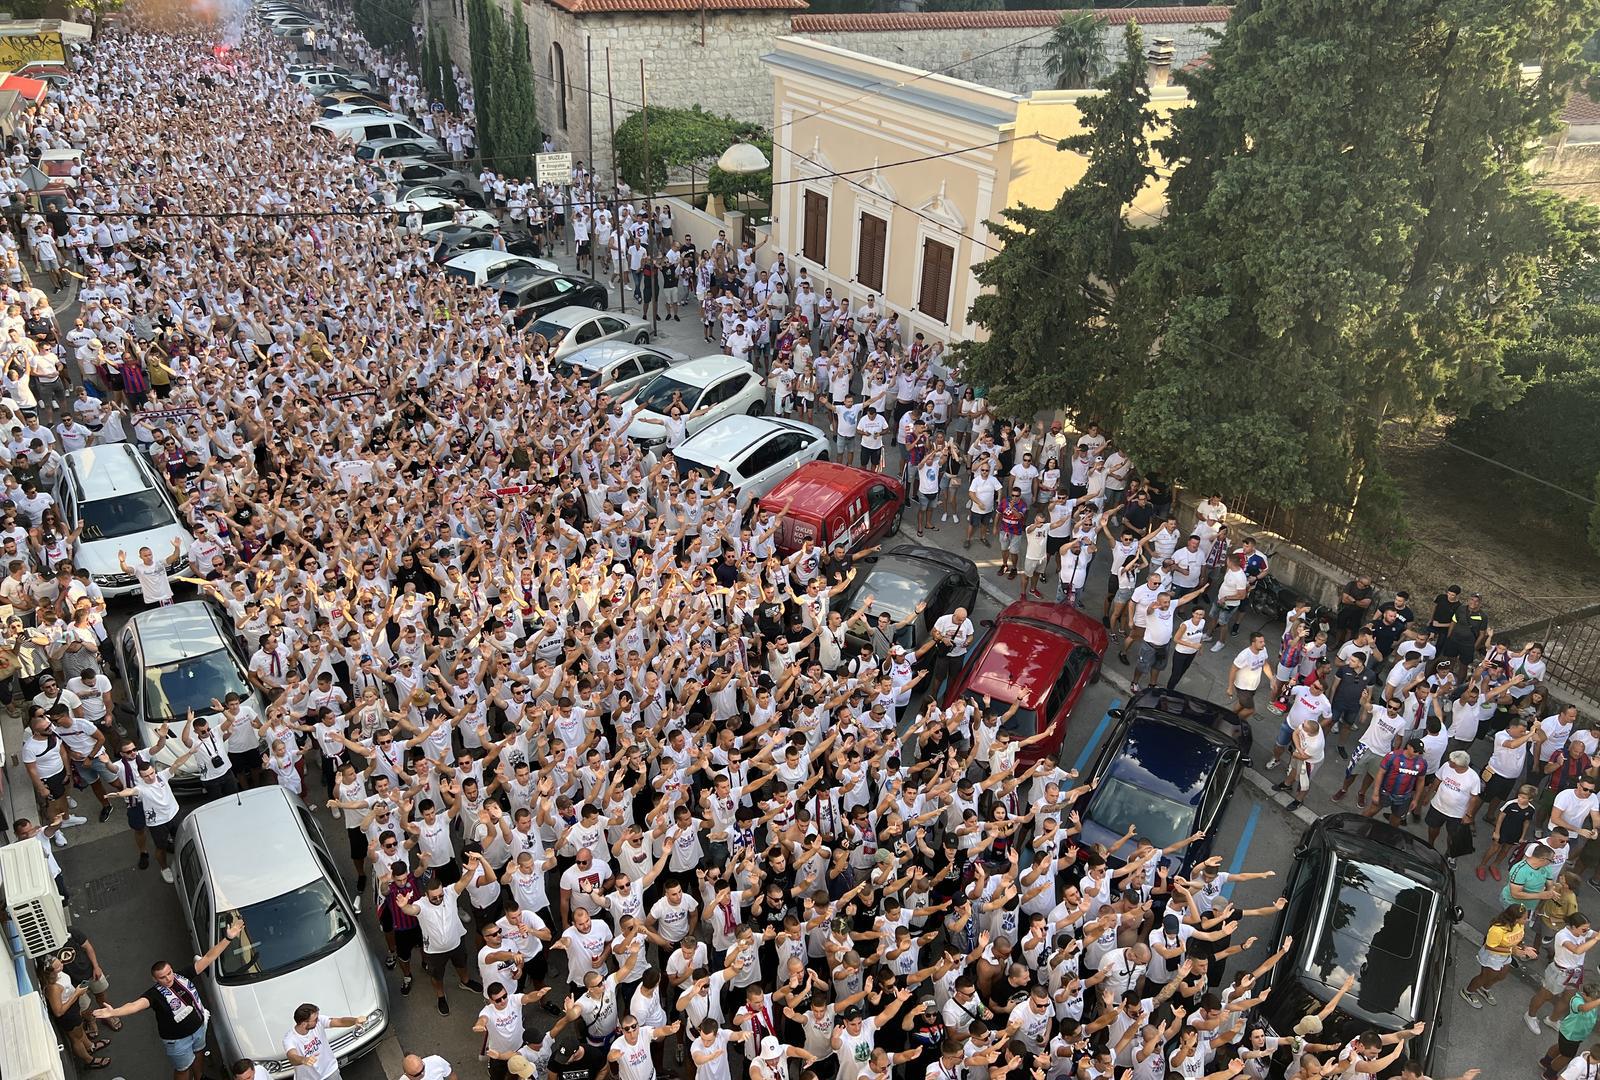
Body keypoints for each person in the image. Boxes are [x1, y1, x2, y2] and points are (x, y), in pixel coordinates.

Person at [91, 918, 245, 1080]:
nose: (168, 979)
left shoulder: (182, 976)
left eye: (169, 973)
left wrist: (228, 938)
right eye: (162, 977)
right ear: (155, 979)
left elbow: (208, 958)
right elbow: (134, 1005)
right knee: (183, 1068)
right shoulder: (154, 995)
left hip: (198, 1029)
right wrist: (114, 1012)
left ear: (172, 969)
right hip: (178, 1041)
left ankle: (200, 1078)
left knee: (199, 1053)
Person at [1460, 904, 1539, 1008]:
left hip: (1505, 955)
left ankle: (1484, 989)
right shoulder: (1497, 930)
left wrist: (1524, 948)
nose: (1527, 919)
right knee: (1485, 976)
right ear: (1515, 919)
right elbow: (1490, 947)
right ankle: (1468, 992)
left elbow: (1518, 939)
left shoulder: (1519, 925)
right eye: (1524, 918)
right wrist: (1513, 951)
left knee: (1501, 975)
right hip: (1493, 956)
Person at [282, 1003, 370, 1080]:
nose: (318, 1020)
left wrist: (355, 1020)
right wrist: (303, 1060)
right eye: (315, 1019)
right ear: (304, 1024)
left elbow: (340, 1021)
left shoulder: (319, 1021)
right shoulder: (289, 1039)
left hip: (330, 1071)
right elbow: (292, 1056)